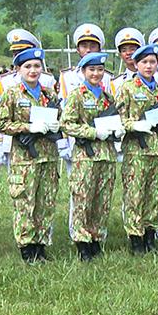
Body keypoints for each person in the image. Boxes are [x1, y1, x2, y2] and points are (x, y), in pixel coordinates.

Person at [0, 47, 62, 264]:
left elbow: (60, 119)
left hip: (48, 157)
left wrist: (55, 124)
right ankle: (27, 248)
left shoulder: (48, 94)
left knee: (45, 202)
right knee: (25, 203)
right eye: (28, 67)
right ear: (18, 69)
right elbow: (0, 123)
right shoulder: (12, 94)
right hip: (24, 160)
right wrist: (28, 127)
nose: (33, 70)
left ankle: (41, 246)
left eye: (36, 66)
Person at [59, 52, 118, 262]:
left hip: (107, 155)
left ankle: (96, 238)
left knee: (101, 200)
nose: (96, 73)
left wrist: (116, 130)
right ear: (83, 71)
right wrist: (92, 132)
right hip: (86, 155)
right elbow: (66, 123)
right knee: (83, 198)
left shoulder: (108, 98)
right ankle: (82, 242)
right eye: (92, 70)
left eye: (100, 70)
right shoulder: (77, 95)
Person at [115, 43, 158, 255]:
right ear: (136, 64)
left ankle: (150, 235)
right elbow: (118, 119)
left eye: (153, 62)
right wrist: (134, 124)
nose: (149, 66)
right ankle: (135, 238)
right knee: (135, 194)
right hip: (136, 150)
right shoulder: (127, 89)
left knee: (154, 194)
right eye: (144, 62)